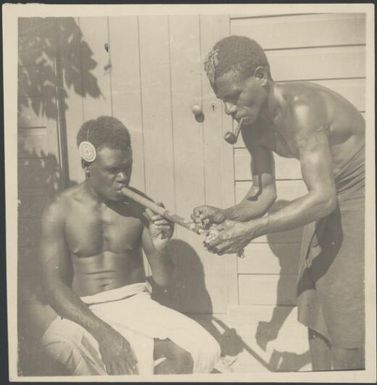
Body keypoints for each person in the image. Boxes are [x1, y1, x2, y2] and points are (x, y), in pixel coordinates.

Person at [192, 36, 365, 370]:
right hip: (325, 194)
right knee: (314, 303)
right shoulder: (250, 123)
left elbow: (324, 198)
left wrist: (248, 231)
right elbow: (263, 194)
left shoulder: (303, 109)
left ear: (261, 76)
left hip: (361, 191)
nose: (228, 108)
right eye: (222, 99)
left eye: (233, 96)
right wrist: (225, 214)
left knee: (346, 318)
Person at [40, 116, 220, 375]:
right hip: (84, 310)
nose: (123, 177)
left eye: (128, 167)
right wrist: (105, 335)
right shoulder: (59, 211)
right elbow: (53, 288)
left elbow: (164, 280)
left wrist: (160, 248)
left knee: (199, 349)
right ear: (87, 165)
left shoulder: (140, 207)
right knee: (56, 352)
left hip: (136, 304)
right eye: (112, 170)